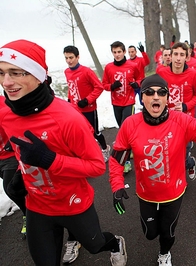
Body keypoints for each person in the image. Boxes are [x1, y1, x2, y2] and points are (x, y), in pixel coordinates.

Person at [0, 39, 127, 266]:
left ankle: (115, 243)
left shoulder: (67, 117)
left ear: (38, 76)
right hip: (37, 206)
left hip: (73, 203)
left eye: (17, 73)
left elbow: (97, 165)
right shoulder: (6, 114)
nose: (7, 82)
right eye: (1, 73)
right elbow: (23, 154)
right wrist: (22, 175)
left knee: (96, 244)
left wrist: (50, 160)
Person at [109, 74, 196, 266]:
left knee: (167, 232)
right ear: (142, 97)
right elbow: (117, 160)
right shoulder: (130, 125)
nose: (156, 96)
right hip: (146, 193)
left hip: (173, 193)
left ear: (168, 98)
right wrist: (116, 186)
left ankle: (164, 253)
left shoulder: (181, 120)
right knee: (150, 234)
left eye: (161, 92)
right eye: (149, 92)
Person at [157, 42, 196, 180]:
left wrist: (186, 106)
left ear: (186, 57)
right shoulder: (161, 72)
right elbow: (157, 92)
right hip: (166, 118)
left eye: (182, 55)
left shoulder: (193, 74)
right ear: (170, 56)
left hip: (185, 120)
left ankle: (189, 163)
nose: (178, 58)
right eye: (175, 54)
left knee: (183, 153)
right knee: (168, 151)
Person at [63, 45, 110, 163]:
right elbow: (71, 87)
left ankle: (105, 149)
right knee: (80, 134)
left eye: (71, 57)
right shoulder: (67, 72)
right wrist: (69, 100)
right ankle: (86, 156)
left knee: (94, 133)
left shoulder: (86, 71)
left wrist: (87, 100)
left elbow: (99, 87)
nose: (69, 61)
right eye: (66, 58)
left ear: (78, 57)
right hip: (75, 109)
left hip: (89, 109)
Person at [102, 41, 141, 173]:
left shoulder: (133, 65)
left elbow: (141, 79)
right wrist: (112, 86)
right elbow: (104, 85)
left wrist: (136, 84)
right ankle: (131, 147)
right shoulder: (108, 67)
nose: (117, 55)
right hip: (116, 103)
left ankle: (126, 162)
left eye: (119, 52)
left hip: (129, 102)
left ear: (124, 52)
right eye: (115, 52)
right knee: (122, 128)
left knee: (124, 131)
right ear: (112, 53)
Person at [0, 96, 26, 237]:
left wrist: (14, 137)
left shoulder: (4, 106)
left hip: (10, 156)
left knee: (10, 189)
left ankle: (27, 214)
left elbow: (23, 122)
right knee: (17, 188)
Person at [128, 43, 150, 107]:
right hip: (132, 85)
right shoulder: (127, 62)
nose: (131, 54)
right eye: (129, 52)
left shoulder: (140, 60)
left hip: (141, 84)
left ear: (135, 52)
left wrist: (143, 52)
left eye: (132, 52)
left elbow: (147, 62)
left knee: (143, 101)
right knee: (130, 101)